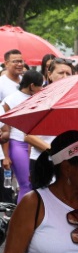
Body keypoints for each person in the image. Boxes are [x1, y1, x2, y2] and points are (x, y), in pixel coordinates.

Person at [1, 71, 50, 201]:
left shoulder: (42, 98)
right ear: (32, 86)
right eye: (41, 85)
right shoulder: (10, 100)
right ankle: (22, 218)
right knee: (26, 185)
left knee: (38, 185)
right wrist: (6, 156)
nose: (43, 88)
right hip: (18, 144)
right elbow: (5, 130)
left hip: (37, 145)